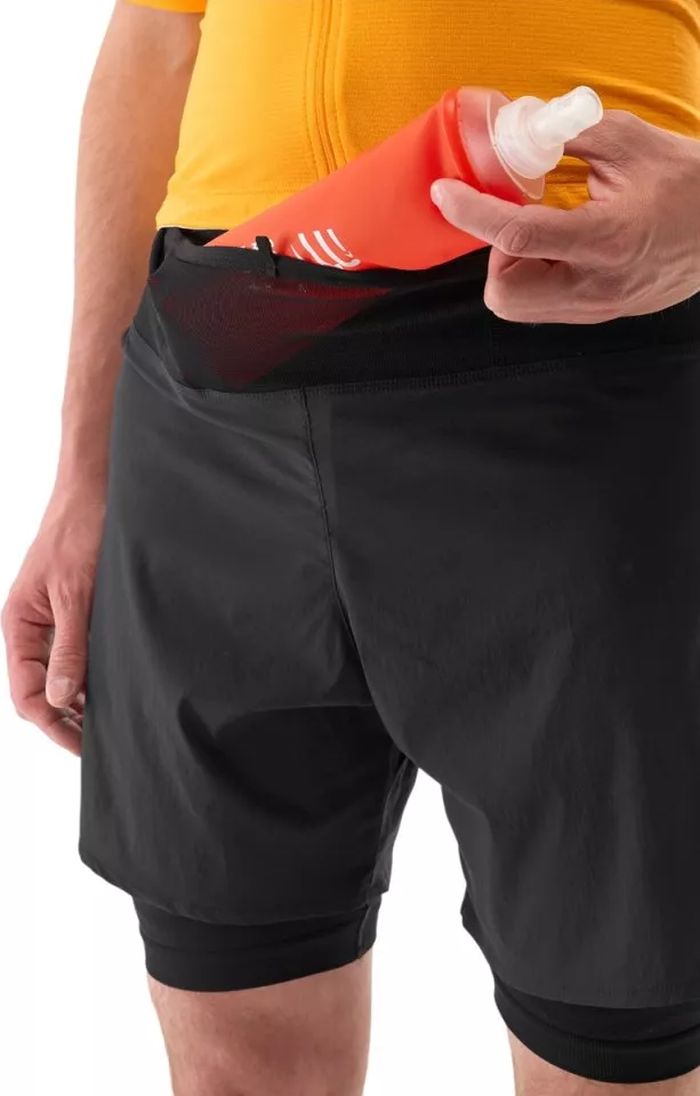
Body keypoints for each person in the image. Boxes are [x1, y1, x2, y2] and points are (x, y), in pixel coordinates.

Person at [3, 0, 700, 1092]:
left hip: (573, 338)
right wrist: (85, 468)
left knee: (610, 1037)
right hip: (213, 353)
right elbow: (159, 31)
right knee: (232, 1028)